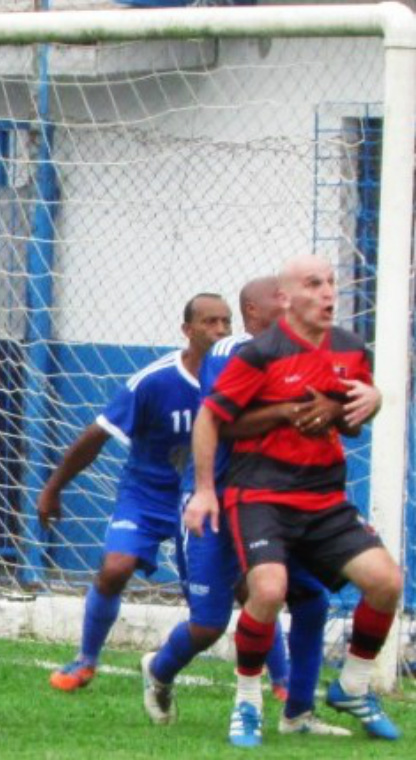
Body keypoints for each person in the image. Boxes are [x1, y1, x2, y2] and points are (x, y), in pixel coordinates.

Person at [186, 254, 402, 746]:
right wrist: (202, 491)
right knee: (267, 591)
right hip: (260, 493)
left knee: (387, 582)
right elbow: (212, 419)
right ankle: (246, 703)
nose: (328, 292)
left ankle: (352, 686)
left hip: (323, 495)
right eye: (314, 284)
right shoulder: (260, 354)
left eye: (331, 283)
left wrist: (373, 401)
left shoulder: (351, 348)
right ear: (286, 299)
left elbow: (349, 419)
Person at [141, 277, 365, 734]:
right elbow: (224, 420)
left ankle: (297, 712)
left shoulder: (300, 354)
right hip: (216, 502)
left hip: (268, 503)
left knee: (310, 598)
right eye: (279, 303)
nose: (290, 310)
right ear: (254, 312)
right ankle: (159, 671)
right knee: (208, 624)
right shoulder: (232, 353)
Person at [39, 293, 232, 691]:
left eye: (226, 323)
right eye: (210, 322)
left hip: (200, 498)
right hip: (147, 497)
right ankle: (85, 660)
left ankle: (283, 683)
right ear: (187, 330)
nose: (219, 331)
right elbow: (96, 436)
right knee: (115, 569)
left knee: (245, 586)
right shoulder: (154, 381)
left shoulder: (238, 379)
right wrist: (53, 488)